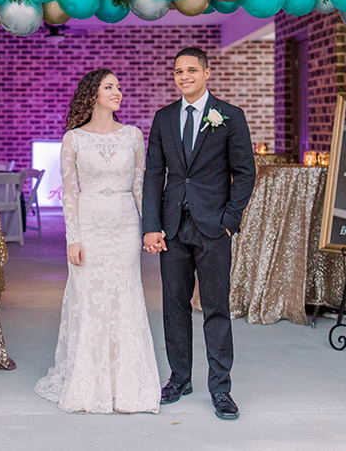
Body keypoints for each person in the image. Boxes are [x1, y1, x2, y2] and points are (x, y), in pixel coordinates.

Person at [35, 69, 160, 414]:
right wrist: (72, 238)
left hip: (124, 227)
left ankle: (128, 384)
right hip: (89, 225)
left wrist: (150, 227)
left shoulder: (133, 135)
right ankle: (88, 382)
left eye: (119, 86)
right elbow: (69, 195)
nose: (118, 91)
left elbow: (140, 185)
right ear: (93, 95)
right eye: (110, 87)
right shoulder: (73, 139)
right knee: (88, 301)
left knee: (126, 298)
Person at [141, 47, 256, 421]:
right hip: (172, 227)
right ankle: (180, 377)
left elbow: (245, 172)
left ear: (208, 72)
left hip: (212, 227)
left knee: (215, 307)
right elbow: (154, 174)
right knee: (173, 306)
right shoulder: (163, 118)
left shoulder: (230, 117)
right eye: (178, 71)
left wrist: (229, 219)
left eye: (191, 70)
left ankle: (221, 388)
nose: (184, 76)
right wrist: (152, 226)